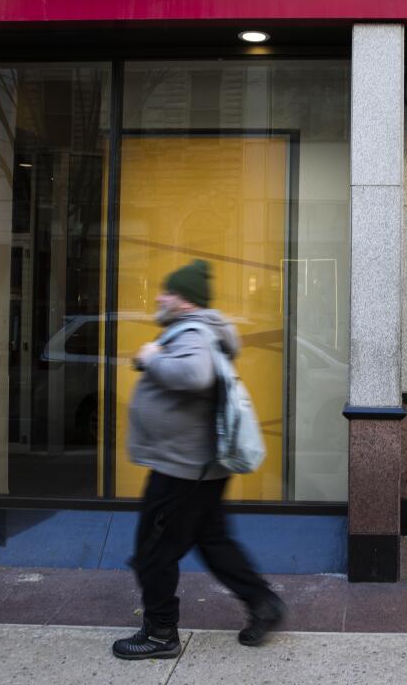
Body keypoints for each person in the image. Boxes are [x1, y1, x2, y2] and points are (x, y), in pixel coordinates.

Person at [113, 259, 286, 660]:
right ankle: (263, 604)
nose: (160, 297)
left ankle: (159, 633)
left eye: (167, 292)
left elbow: (195, 376)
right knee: (212, 541)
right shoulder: (202, 329)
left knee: (153, 552)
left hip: (183, 470)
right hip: (201, 467)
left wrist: (151, 357)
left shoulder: (193, 332)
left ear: (185, 300)